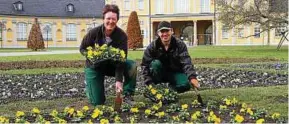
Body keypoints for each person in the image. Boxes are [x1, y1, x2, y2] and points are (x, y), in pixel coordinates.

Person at [80, 4, 136, 106]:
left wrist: (119, 81)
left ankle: (128, 95)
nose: (111, 21)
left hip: (111, 66)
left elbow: (121, 60)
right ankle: (90, 88)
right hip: (94, 66)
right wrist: (91, 56)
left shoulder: (122, 36)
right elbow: (82, 48)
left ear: (117, 20)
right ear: (103, 19)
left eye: (113, 19)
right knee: (98, 102)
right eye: (108, 18)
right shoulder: (94, 33)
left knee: (131, 65)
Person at [141, 21, 199, 94]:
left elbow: (186, 62)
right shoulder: (152, 47)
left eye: (167, 31)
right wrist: (149, 83)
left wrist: (192, 77)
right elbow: (145, 65)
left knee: (185, 85)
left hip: (175, 72)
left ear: (172, 31)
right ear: (158, 33)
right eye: (162, 31)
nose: (165, 34)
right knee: (155, 64)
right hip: (159, 74)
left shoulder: (180, 45)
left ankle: (170, 90)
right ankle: (156, 87)